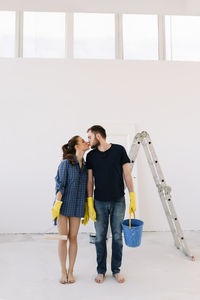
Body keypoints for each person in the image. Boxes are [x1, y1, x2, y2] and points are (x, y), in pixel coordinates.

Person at [86, 125, 136, 284]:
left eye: (90, 137)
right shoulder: (91, 156)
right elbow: (89, 180)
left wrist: (132, 195)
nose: (89, 140)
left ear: (98, 136)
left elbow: (127, 174)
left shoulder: (119, 150)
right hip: (99, 202)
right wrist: (89, 201)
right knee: (100, 238)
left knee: (117, 238)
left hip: (118, 201)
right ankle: (101, 271)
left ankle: (116, 270)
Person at [51, 136, 89, 284]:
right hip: (63, 205)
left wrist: (87, 206)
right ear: (76, 147)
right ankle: (63, 271)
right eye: (83, 141)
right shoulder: (66, 164)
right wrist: (57, 205)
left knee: (73, 238)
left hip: (78, 204)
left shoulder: (85, 167)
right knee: (62, 238)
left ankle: (71, 271)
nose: (86, 142)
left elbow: (87, 187)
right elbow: (60, 185)